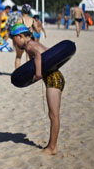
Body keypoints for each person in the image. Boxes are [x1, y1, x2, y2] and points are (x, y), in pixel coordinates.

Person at [10, 23, 65, 155]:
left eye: (14, 39)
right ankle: (51, 145)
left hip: (53, 78)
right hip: (54, 77)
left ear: (21, 36)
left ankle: (52, 147)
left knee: (53, 115)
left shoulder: (30, 45)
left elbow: (38, 56)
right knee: (53, 114)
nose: (13, 42)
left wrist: (38, 73)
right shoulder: (32, 43)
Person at [15, 4, 35, 68]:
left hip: (21, 40)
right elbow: (37, 30)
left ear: (22, 10)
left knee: (18, 57)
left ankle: (17, 74)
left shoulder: (20, 19)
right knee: (28, 57)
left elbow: (15, 30)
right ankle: (28, 73)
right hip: (29, 40)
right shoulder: (32, 20)